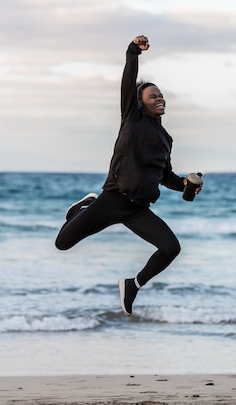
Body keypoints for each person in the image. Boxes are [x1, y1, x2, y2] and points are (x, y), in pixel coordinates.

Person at [55, 35, 201, 316]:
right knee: (62, 243)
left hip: (138, 210)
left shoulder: (166, 137)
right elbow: (128, 77)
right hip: (113, 200)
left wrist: (184, 184)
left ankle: (133, 285)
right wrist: (133, 52)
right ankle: (83, 207)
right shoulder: (131, 119)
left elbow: (165, 175)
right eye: (152, 96)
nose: (159, 99)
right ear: (140, 103)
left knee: (171, 248)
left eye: (160, 95)